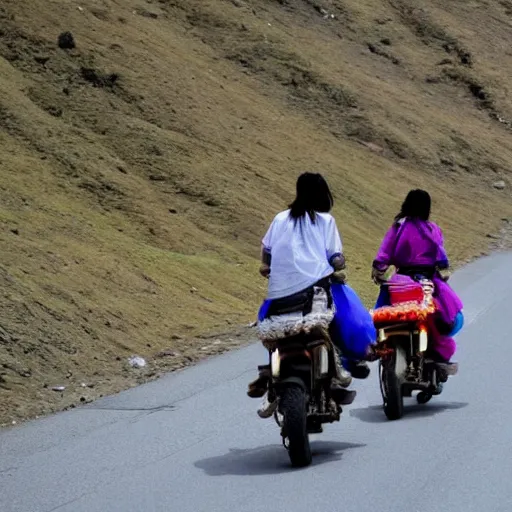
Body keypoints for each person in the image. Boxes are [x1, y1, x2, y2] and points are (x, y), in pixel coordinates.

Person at [247, 172, 370, 412]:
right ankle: (339, 368)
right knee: (335, 320)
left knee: (276, 333)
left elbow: (267, 250)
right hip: (314, 291)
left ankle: (271, 379)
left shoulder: (280, 219)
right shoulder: (326, 221)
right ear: (322, 193)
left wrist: (267, 267)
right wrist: (338, 262)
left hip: (279, 296)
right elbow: (335, 256)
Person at [372, 189, 463, 366]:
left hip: (402, 280)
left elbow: (385, 252)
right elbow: (440, 256)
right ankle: (436, 352)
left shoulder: (399, 226)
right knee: (442, 316)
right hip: (428, 280)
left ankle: (378, 344)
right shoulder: (433, 229)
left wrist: (379, 270)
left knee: (381, 312)